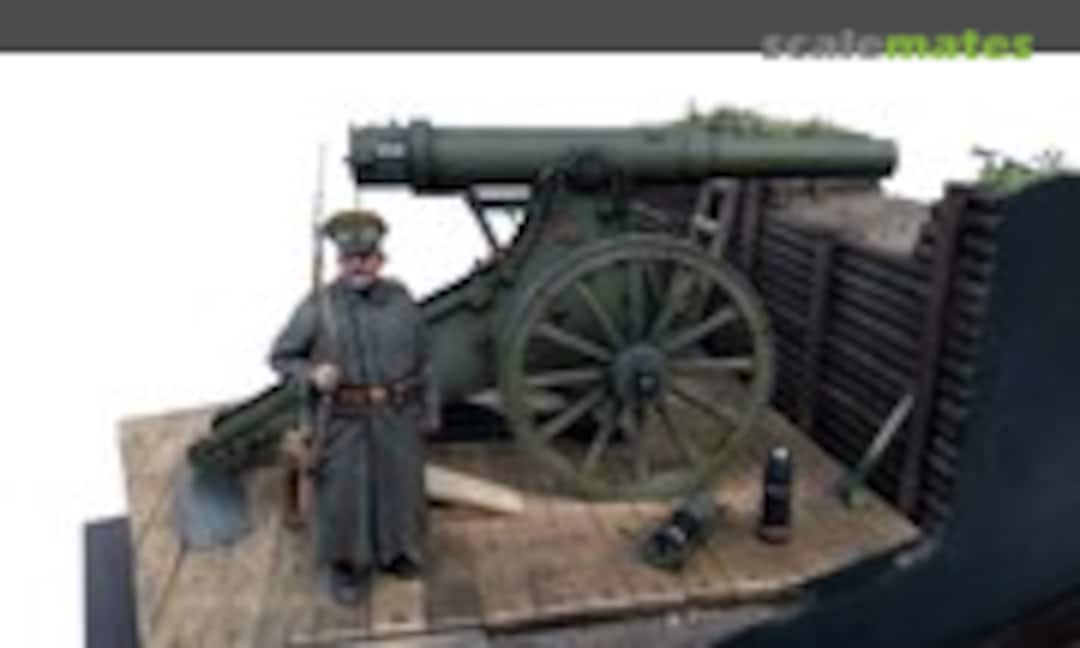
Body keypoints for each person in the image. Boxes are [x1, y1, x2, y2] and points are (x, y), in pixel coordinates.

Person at [268, 208, 439, 605]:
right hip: (343, 419)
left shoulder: (401, 300)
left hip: (396, 414)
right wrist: (313, 374)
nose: (358, 266)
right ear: (339, 261)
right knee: (344, 496)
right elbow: (281, 357)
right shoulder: (319, 306)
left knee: (400, 489)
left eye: (366, 257)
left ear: (381, 260)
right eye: (350, 258)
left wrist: (429, 411)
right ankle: (346, 565)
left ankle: (398, 552)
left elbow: (426, 359)